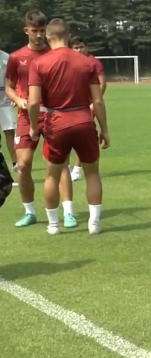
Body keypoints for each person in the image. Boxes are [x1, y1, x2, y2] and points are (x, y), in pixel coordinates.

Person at [27, 18, 109, 235]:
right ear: (68, 35)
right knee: (92, 173)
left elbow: (34, 102)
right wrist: (105, 130)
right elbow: (98, 100)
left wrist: (34, 126)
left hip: (57, 122)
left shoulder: (39, 63)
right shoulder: (87, 62)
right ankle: (94, 223)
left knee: (53, 175)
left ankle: (53, 225)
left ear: (48, 36)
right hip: (83, 118)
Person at [5, 10, 77, 228]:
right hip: (27, 117)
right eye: (33, 31)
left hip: (54, 115)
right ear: (26, 30)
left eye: (41, 31)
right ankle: (30, 212)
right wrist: (18, 99)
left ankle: (69, 212)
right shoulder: (16, 57)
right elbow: (8, 87)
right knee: (23, 165)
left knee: (59, 163)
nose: (38, 35)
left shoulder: (54, 54)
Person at [70, 36, 106, 182]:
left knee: (83, 136)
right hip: (71, 106)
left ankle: (77, 169)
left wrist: (93, 102)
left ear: (87, 47)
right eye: (76, 48)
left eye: (81, 47)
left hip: (88, 106)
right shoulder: (68, 62)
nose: (79, 50)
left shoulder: (94, 63)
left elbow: (102, 84)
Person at [0, 49, 18, 176]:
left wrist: (15, 95)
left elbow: (15, 78)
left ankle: (16, 164)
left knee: (10, 132)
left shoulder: (8, 58)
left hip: (5, 100)